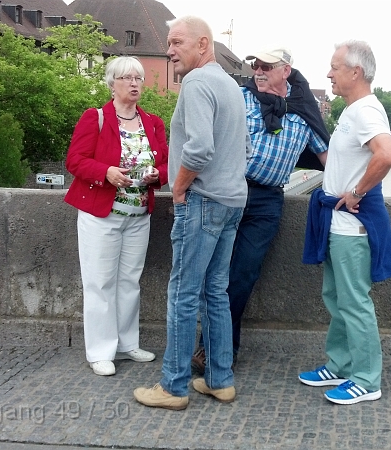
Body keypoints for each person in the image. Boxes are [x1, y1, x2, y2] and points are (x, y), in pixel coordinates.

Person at [133, 16, 250, 411]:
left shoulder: (198, 83)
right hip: (233, 201)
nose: (169, 50)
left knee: (183, 294)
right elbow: (243, 149)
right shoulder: (231, 85)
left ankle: (173, 387)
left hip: (203, 201)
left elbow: (198, 149)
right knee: (215, 292)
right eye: (168, 42)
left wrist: (178, 186)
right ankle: (220, 380)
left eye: (176, 42)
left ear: (203, 45)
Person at [191, 47, 329, 374]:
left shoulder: (305, 112)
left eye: (268, 65)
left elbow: (329, 161)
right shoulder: (241, 98)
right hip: (230, 189)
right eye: (257, 65)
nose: (259, 71)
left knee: (242, 276)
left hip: (267, 201)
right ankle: (216, 350)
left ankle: (216, 348)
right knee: (213, 273)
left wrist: (359, 189)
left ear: (287, 71)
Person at [298, 40, 391, 405]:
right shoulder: (353, 110)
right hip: (336, 224)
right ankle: (340, 364)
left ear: (355, 72)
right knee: (336, 297)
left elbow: (387, 154)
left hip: (350, 227)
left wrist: (356, 191)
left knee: (354, 302)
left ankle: (367, 379)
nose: (329, 73)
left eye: (335, 67)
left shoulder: (366, 111)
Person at [64, 56, 169, 377]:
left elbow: (167, 164)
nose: (134, 83)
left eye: (138, 78)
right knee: (100, 282)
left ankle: (126, 343)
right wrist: (106, 172)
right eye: (126, 78)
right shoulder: (94, 118)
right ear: (112, 84)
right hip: (101, 215)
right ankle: (100, 350)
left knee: (129, 282)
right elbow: (75, 161)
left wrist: (157, 175)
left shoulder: (152, 122)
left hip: (138, 215)